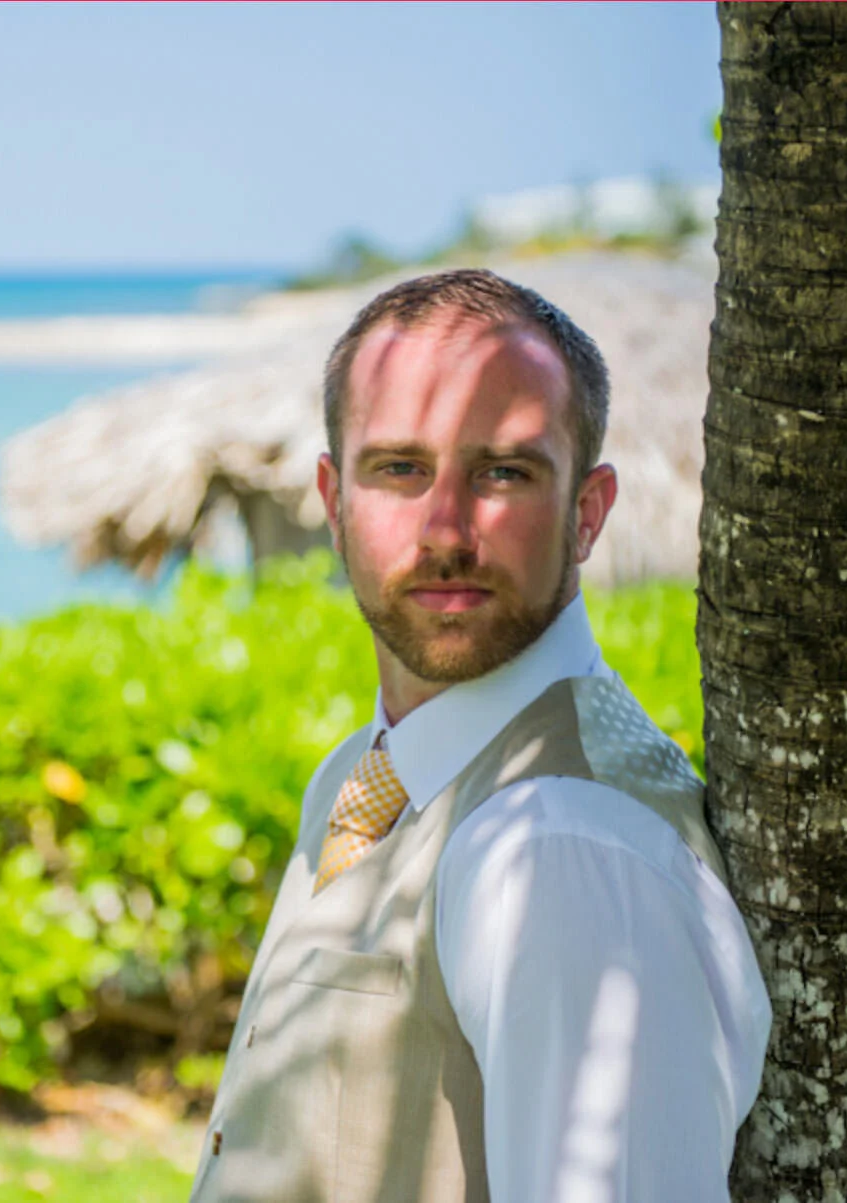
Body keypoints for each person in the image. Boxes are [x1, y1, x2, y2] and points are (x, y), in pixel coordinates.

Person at [188, 269, 771, 1202]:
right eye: (398, 469)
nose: (445, 530)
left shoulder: (561, 847)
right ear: (333, 502)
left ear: (587, 511)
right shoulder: (359, 771)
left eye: (503, 472)